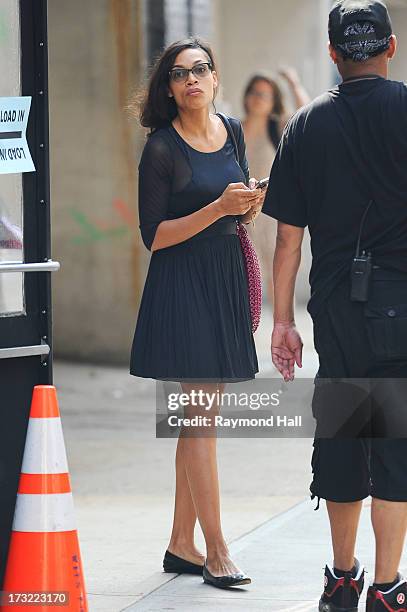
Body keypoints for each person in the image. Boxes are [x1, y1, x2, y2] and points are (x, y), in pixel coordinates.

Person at [261, 1, 407, 610]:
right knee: (397, 449)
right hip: (403, 313)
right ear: (391, 48)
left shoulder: (306, 124)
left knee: (346, 440)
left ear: (333, 55)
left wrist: (284, 322)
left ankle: (343, 580)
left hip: (339, 314)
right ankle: (388, 588)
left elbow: (288, 240)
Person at [129, 37, 265, 589]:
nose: (193, 79)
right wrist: (218, 209)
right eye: (181, 73)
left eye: (201, 69)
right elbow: (153, 237)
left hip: (224, 277)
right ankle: (216, 550)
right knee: (201, 423)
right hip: (182, 285)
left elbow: (239, 203)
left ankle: (181, 543)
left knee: (196, 422)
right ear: (169, 88)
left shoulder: (231, 130)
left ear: (214, 78)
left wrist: (248, 204)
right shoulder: (161, 148)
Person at [241, 70, 310, 306]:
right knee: (243, 276)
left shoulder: (278, 128)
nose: (258, 98)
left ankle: (279, 327)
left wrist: (294, 82)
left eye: (265, 95)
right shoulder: (232, 129)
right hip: (238, 213)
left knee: (273, 275)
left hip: (269, 215)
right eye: (255, 92)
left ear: (273, 101)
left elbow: (306, 115)